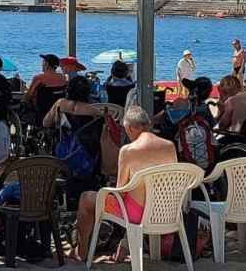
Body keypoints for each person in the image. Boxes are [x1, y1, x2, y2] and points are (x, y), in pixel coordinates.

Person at [73, 106, 176, 261]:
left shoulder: (128, 150)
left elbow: (120, 191)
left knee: (86, 198)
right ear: (148, 125)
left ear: (129, 128)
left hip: (136, 214)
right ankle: (124, 246)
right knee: (138, 197)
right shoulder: (169, 146)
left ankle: (82, 252)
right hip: (165, 210)